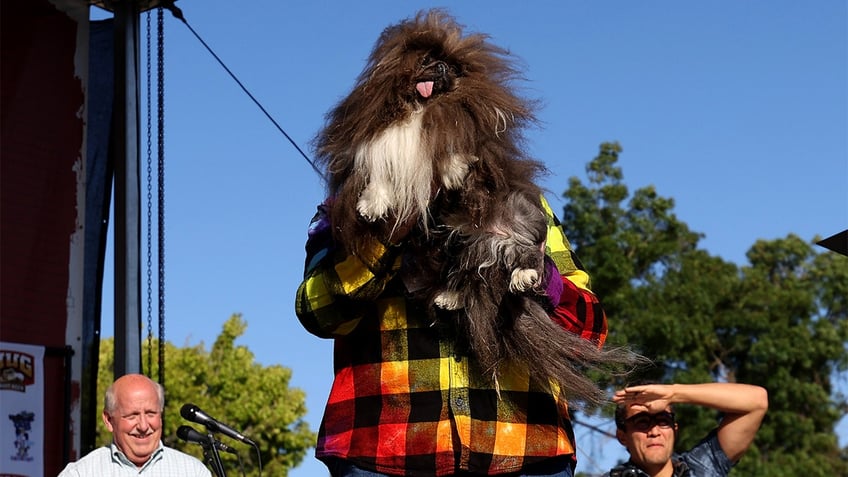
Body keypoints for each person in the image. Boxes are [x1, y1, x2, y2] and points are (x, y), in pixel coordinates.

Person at [295, 197, 611, 477]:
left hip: (527, 452)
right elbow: (317, 313)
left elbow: (589, 333)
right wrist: (386, 235)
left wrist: (537, 270)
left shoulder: (524, 200)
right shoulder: (349, 204)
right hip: (380, 453)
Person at [58, 373, 211, 476]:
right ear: (108, 420)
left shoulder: (192, 471)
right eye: (132, 415)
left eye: (151, 413)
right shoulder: (81, 473)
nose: (143, 426)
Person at [607, 382, 768, 477]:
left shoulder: (702, 467)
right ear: (622, 436)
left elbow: (756, 401)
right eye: (642, 422)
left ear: (675, 430)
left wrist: (673, 393)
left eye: (663, 421)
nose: (655, 432)